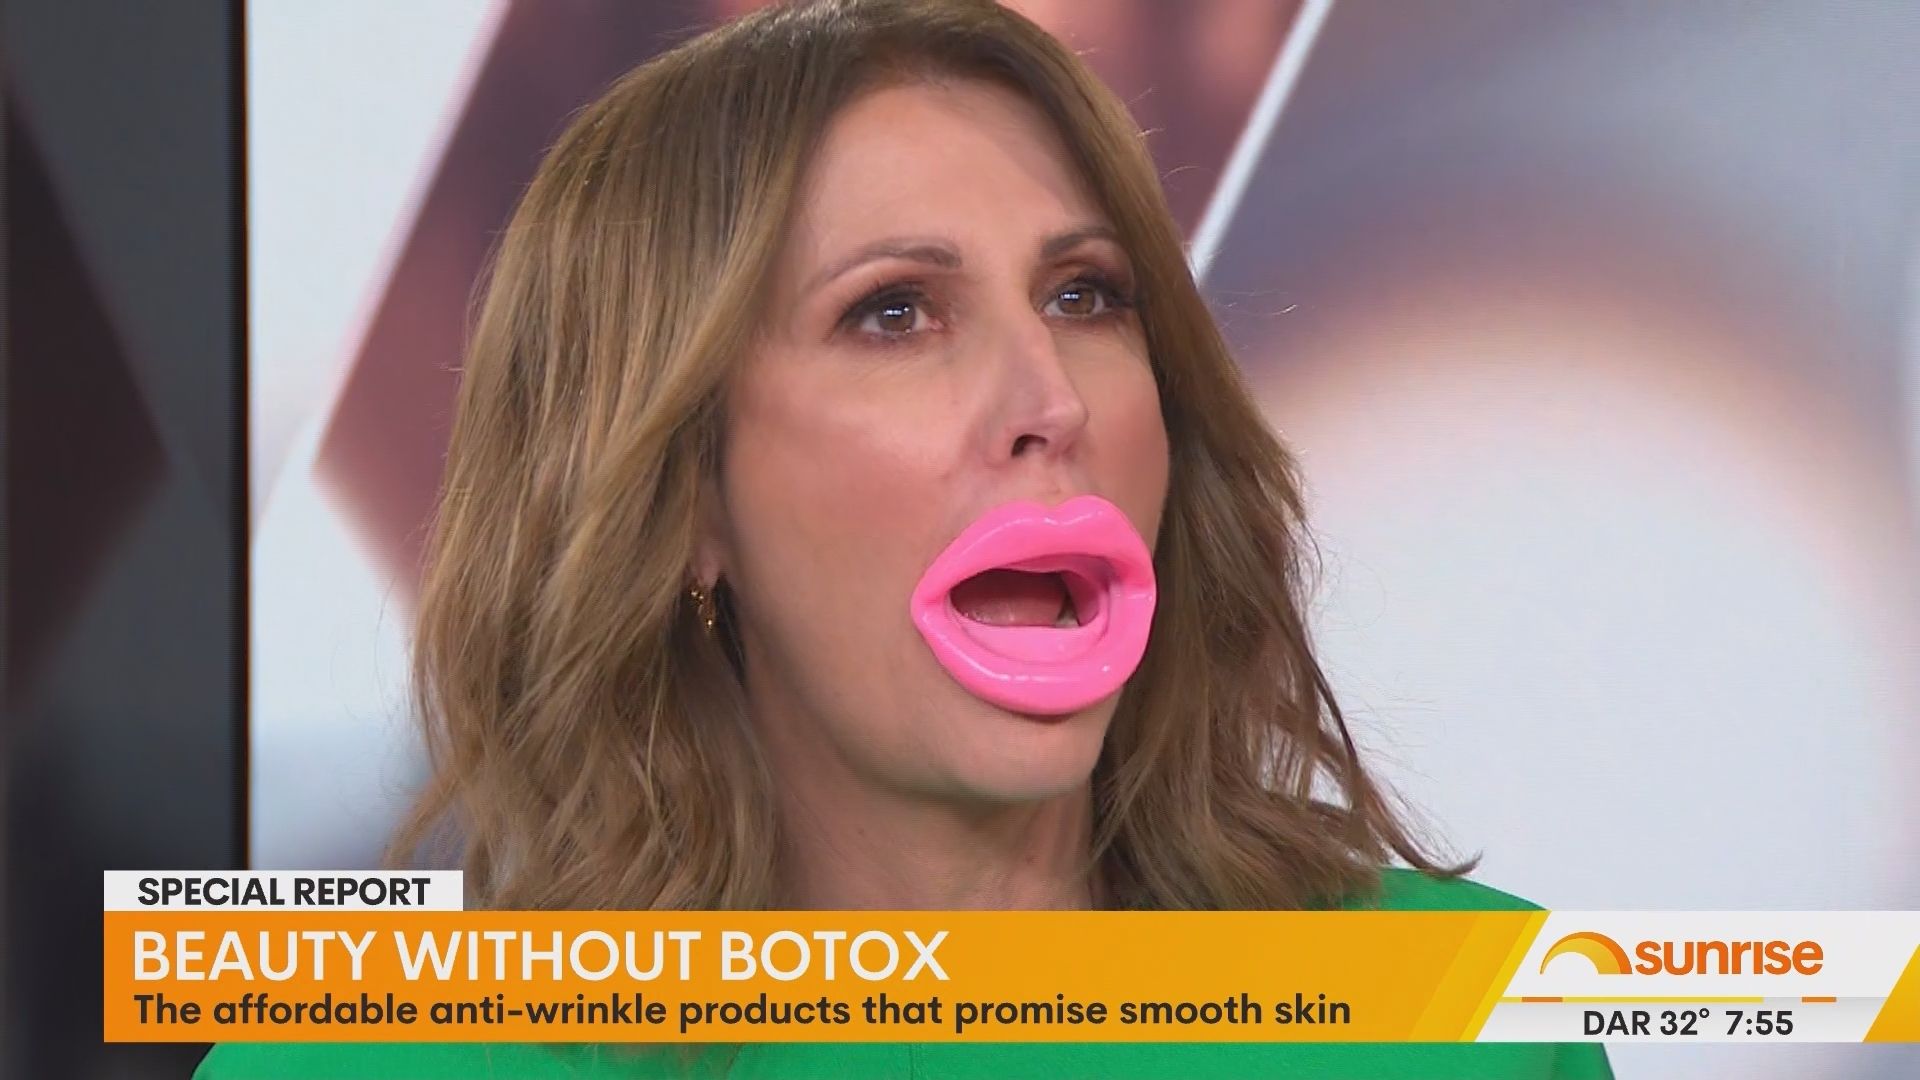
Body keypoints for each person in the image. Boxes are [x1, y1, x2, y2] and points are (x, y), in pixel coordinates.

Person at [201, 0, 1611, 1075]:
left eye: (1086, 296)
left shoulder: (1467, 1019)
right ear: (684, 498)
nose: (1051, 402)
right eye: (893, 313)